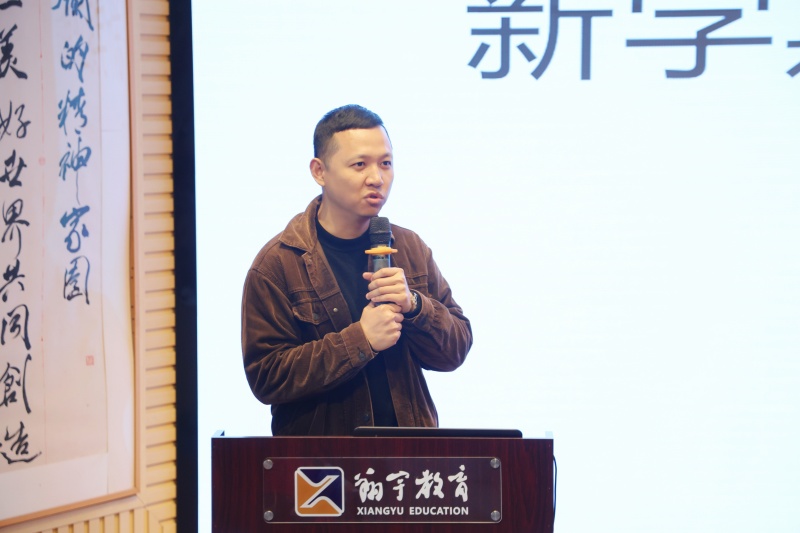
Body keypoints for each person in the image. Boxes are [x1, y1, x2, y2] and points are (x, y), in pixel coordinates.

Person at [241, 104, 472, 436]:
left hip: (408, 455)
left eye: (386, 163)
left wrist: (415, 306)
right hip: (323, 461)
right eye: (360, 164)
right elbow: (267, 377)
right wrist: (360, 340)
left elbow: (455, 350)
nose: (376, 178)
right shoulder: (278, 263)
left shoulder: (410, 248)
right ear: (319, 171)